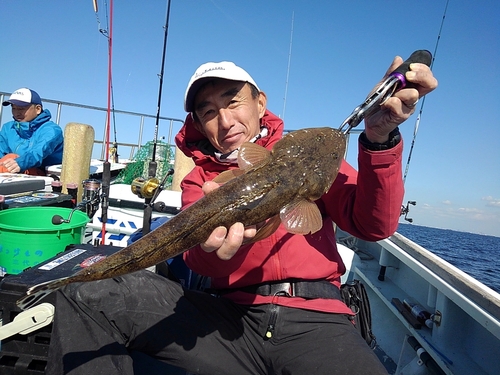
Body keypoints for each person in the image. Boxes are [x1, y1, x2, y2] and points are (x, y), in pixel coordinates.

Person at [46, 57, 437, 375]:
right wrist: (216, 250)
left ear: (260, 104)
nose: (226, 120)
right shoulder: (200, 179)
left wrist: (379, 139)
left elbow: (374, 226)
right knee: (85, 292)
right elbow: (195, 259)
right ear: (199, 124)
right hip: (225, 319)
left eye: (234, 102)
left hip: (316, 320)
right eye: (209, 112)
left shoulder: (300, 157)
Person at [1, 88, 63, 175]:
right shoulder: (8, 128)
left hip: (47, 177)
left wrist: (20, 163)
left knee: (12, 158)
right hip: (12, 174)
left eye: (21, 109)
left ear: (38, 109)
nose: (16, 113)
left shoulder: (52, 130)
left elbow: (38, 152)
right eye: (13, 108)